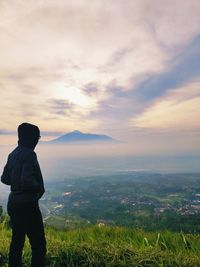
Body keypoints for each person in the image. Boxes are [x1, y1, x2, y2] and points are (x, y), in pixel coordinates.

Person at [1, 122, 46, 267]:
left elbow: (4, 178)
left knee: (17, 241)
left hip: (13, 202)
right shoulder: (30, 154)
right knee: (38, 244)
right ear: (31, 138)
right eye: (36, 138)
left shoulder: (12, 154)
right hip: (28, 204)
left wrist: (16, 184)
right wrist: (38, 187)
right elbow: (27, 180)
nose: (36, 142)